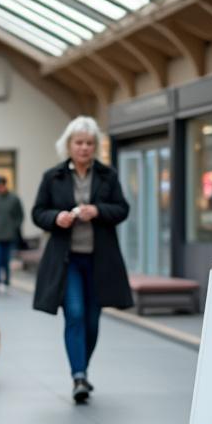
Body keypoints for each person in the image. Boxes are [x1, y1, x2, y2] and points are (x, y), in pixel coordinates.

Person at [32, 116, 133, 404]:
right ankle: (79, 375)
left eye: (89, 143)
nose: (84, 148)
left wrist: (98, 211)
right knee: (74, 314)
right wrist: (57, 218)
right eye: (79, 143)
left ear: (96, 146)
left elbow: (122, 210)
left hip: (100, 259)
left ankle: (82, 368)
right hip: (67, 260)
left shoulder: (107, 175)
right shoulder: (53, 176)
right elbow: (38, 213)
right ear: (69, 145)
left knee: (92, 319)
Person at [0, 176, 23, 293]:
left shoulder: (14, 198)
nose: (0, 188)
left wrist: (14, 227)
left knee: (6, 260)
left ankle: (6, 282)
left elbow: (19, 215)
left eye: (2, 185)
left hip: (8, 235)